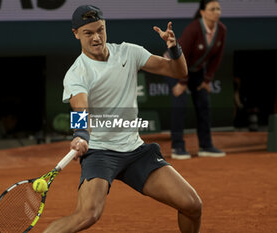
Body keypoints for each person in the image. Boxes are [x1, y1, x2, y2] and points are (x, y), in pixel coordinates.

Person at [43, 5, 202, 233]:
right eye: (88, 33)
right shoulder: (77, 73)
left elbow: (178, 72)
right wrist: (80, 135)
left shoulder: (129, 52)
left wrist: (174, 49)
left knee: (192, 205)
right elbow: (80, 107)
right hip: (99, 152)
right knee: (87, 215)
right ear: (76, 33)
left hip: (135, 151)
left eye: (100, 30)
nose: (97, 38)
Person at [166, 0, 227, 159]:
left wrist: (207, 80)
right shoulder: (194, 29)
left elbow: (217, 57)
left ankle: (206, 146)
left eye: (218, 9)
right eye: (212, 9)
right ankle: (177, 147)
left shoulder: (221, 30)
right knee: (180, 103)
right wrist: (182, 83)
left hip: (197, 71)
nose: (217, 12)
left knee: (204, 103)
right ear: (203, 12)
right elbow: (181, 55)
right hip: (175, 66)